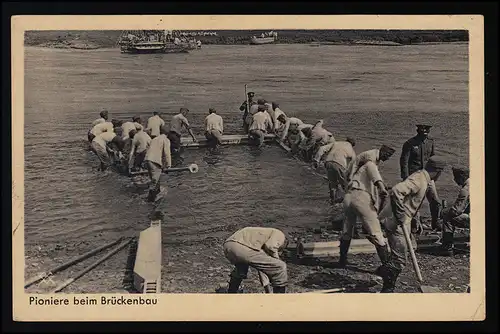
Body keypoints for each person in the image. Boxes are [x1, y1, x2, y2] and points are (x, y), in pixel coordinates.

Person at [377, 156, 447, 293]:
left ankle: (383, 271)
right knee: (400, 260)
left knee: (409, 248)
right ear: (438, 171)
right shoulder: (418, 179)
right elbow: (396, 191)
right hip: (395, 221)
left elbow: (411, 200)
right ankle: (387, 289)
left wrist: (415, 219)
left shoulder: (425, 179)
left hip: (404, 219)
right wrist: (401, 214)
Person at [337, 148, 393, 269]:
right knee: (376, 232)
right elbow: (376, 178)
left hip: (348, 197)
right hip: (360, 198)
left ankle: (342, 261)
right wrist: (382, 189)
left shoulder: (358, 171)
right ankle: (387, 266)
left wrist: (383, 186)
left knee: (347, 230)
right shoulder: (370, 164)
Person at [223, 227, 289, 293]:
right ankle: (279, 300)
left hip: (229, 246)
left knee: (241, 270)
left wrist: (267, 290)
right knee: (280, 266)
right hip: (241, 245)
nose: (279, 250)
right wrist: (276, 259)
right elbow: (270, 247)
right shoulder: (280, 235)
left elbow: (262, 270)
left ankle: (231, 293)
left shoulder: (261, 239)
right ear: (285, 243)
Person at [400, 124, 440, 230]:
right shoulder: (409, 143)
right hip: (415, 177)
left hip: (428, 176)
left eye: (427, 129)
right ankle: (415, 226)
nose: (425, 131)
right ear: (418, 130)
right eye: (423, 129)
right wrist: (405, 178)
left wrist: (435, 175)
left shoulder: (430, 142)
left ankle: (435, 224)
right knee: (415, 202)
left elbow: (433, 159)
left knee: (435, 201)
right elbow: (404, 161)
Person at [438, 166, 470, 256]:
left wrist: (443, 211)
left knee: (447, 216)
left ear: (461, 177)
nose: (455, 180)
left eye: (455, 177)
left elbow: (456, 211)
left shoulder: (466, 189)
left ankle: (447, 248)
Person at [313, 137, 357, 203]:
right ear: (352, 145)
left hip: (328, 162)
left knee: (332, 183)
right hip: (339, 164)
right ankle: (348, 202)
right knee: (345, 185)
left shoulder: (336, 143)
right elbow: (353, 164)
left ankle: (333, 201)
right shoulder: (351, 150)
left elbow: (321, 148)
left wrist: (316, 160)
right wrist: (350, 175)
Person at [144, 126, 172, 202]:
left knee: (155, 178)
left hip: (147, 159)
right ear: (167, 133)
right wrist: (169, 165)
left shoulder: (154, 139)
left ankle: (157, 193)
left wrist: (163, 165)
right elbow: (167, 153)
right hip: (154, 161)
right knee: (155, 181)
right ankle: (150, 200)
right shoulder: (165, 140)